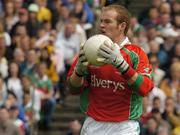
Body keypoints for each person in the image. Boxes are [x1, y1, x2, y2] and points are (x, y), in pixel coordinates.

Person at [67, 4, 154, 135]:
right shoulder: (89, 49)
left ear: (122, 26)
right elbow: (73, 89)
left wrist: (122, 66)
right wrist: (79, 71)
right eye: (101, 21)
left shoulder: (136, 54)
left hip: (124, 127)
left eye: (107, 21)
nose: (101, 25)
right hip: (93, 125)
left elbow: (145, 89)